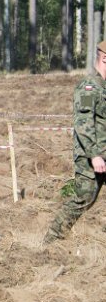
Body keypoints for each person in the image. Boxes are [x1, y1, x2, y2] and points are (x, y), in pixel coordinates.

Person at [45, 40, 106, 243]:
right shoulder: (89, 87)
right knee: (84, 198)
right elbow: (83, 122)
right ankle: (51, 241)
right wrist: (94, 155)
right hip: (92, 157)